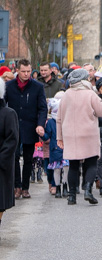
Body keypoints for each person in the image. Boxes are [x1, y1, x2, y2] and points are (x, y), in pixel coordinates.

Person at [57, 68, 102, 205]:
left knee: (73, 165)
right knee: (91, 162)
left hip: (70, 134)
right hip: (88, 132)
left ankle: (71, 196)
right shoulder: (90, 94)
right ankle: (88, 190)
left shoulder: (66, 94)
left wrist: (59, 137)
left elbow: (59, 118)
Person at [4, 59, 47, 200]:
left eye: (29, 71)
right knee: (14, 157)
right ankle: (16, 186)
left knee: (29, 158)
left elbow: (42, 108)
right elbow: (3, 106)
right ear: (17, 70)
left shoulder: (37, 87)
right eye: (23, 71)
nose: (27, 74)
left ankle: (25, 187)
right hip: (13, 127)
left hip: (30, 126)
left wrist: (40, 124)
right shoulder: (8, 86)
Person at [0, 80, 19, 235]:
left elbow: (12, 139)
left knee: (0, 203)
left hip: (2, 165)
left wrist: (2, 159)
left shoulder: (8, 113)